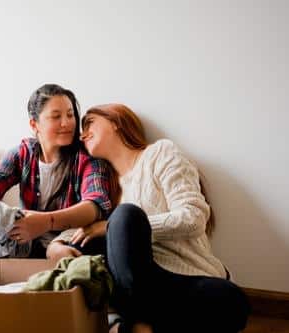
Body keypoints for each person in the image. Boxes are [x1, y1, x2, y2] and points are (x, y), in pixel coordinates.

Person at [63, 103, 250, 333]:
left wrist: (117, 227)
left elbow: (193, 217)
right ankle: (142, 323)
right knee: (87, 241)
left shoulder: (160, 153)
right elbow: (86, 230)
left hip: (181, 282)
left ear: (115, 121)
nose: (82, 134)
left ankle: (136, 322)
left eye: (89, 122)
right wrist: (57, 243)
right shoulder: (106, 189)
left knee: (125, 217)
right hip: (136, 287)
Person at [0, 84, 113, 263]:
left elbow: (94, 206)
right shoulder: (23, 153)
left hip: (66, 242)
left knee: (91, 243)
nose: (67, 123)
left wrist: (47, 222)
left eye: (70, 115)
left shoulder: (88, 157)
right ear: (34, 124)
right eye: (56, 116)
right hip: (26, 243)